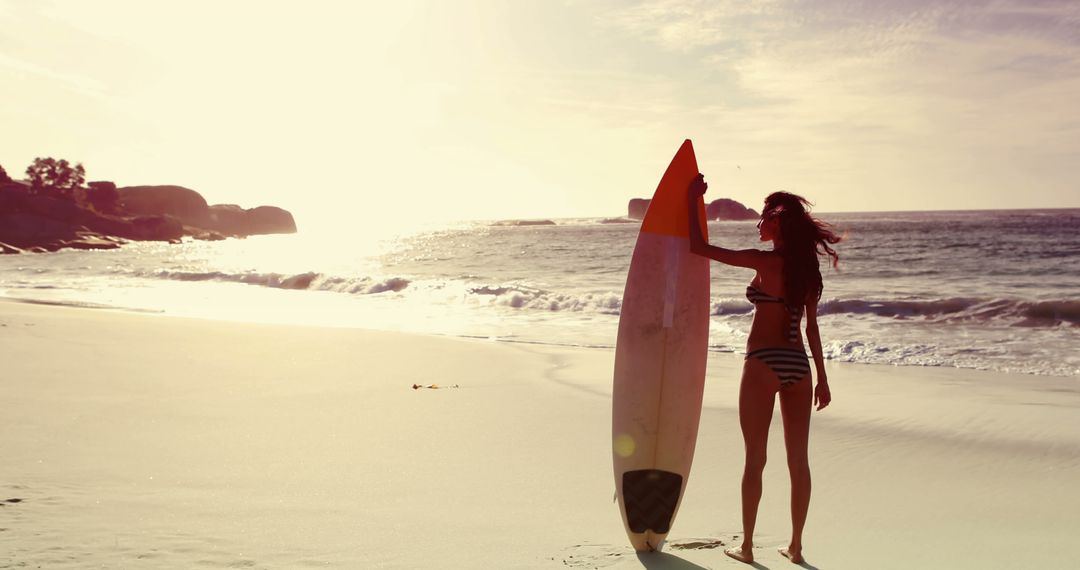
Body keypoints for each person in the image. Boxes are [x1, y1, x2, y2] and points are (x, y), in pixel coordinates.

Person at [686, 174, 841, 564]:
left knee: (755, 458)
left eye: (764, 217)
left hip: (762, 363)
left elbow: (698, 247)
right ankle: (796, 546)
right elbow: (811, 327)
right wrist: (822, 378)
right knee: (798, 461)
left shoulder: (763, 261)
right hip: (799, 367)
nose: (758, 223)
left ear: (777, 223)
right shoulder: (808, 271)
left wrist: (693, 200)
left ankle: (748, 547)